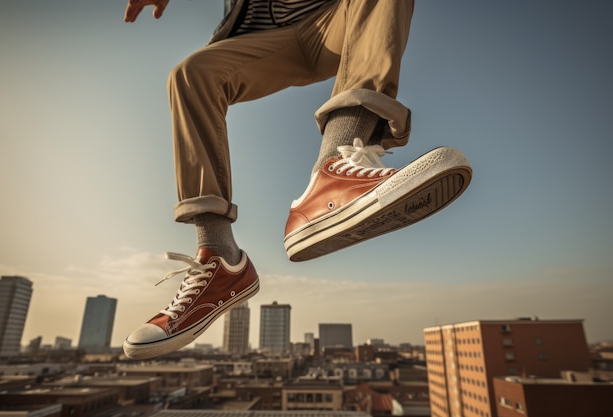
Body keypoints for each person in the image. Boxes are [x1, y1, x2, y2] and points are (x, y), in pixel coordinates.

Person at [121, 0, 472, 360]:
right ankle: (220, 260)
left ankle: (333, 172)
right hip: (267, 42)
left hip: (333, 21)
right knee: (190, 74)